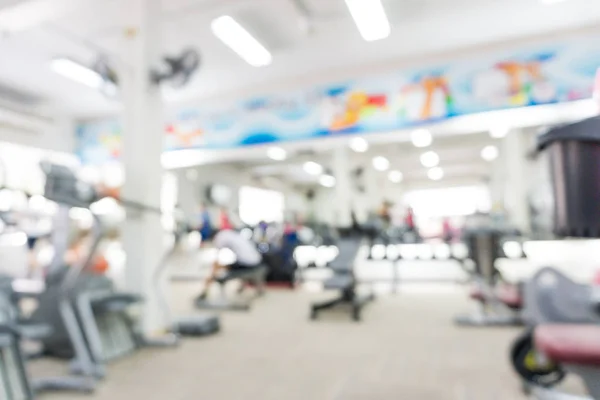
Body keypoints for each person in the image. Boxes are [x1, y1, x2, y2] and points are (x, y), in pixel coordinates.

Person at [196, 229, 262, 300]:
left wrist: (212, 274)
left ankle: (205, 291)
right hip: (257, 261)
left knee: (217, 266)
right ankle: (241, 287)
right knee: (232, 264)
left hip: (248, 263)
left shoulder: (219, 238)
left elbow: (217, 259)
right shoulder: (230, 234)